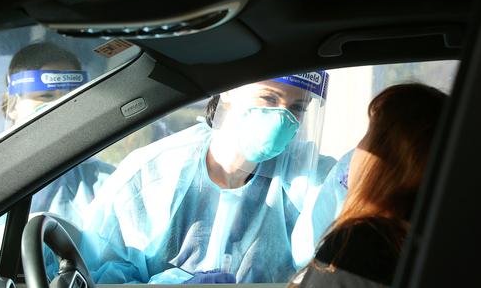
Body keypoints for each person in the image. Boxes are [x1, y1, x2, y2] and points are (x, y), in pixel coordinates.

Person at [77, 71, 336, 284]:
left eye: (297, 108)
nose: (283, 119)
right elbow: (101, 275)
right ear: (228, 90)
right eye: (268, 98)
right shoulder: (153, 174)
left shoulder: (308, 179)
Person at [293, 83, 446, 287]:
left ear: (386, 159)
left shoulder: (363, 246)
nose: (357, 149)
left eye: (368, 135)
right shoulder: (434, 244)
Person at [2, 43, 115, 228]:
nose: (59, 107)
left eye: (71, 97)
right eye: (46, 96)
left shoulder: (105, 182)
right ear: (13, 106)